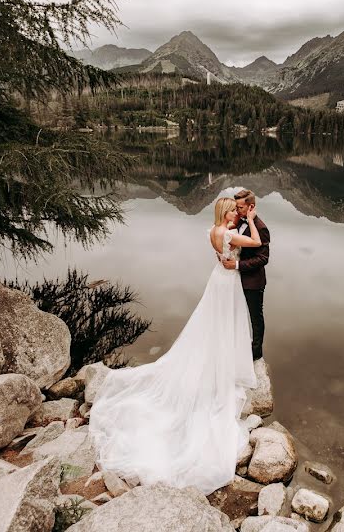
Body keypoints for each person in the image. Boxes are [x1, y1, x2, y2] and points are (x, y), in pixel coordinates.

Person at [88, 197, 260, 495]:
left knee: (214, 323)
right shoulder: (230, 234)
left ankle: (215, 358)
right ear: (224, 212)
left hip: (218, 279)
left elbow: (222, 252)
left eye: (238, 209)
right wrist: (253, 219)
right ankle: (222, 364)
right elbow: (256, 242)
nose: (236, 212)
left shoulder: (211, 231)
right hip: (228, 281)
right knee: (225, 322)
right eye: (232, 209)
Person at [220, 189, 270, 361]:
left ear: (251, 207)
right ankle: (237, 344)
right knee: (236, 313)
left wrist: (236, 264)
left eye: (240, 207)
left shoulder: (261, 228)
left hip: (253, 282)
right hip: (235, 280)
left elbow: (263, 258)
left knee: (255, 317)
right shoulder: (239, 221)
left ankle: (256, 353)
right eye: (236, 207)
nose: (238, 210)